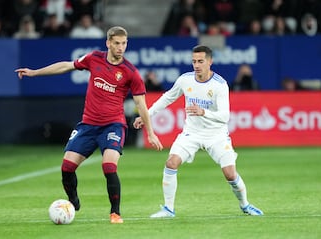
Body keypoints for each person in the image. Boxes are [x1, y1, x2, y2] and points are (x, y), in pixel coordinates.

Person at [15, 26, 163, 224]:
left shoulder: (130, 73)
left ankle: (115, 213)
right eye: (117, 43)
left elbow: (141, 105)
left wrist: (151, 133)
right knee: (67, 167)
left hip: (113, 126)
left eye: (124, 43)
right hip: (88, 125)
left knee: (109, 166)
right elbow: (66, 66)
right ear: (108, 43)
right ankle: (73, 202)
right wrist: (35, 73)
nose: (121, 47)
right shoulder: (94, 58)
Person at [133, 45, 263, 218]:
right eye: (194, 61)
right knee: (171, 163)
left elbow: (225, 116)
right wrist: (146, 115)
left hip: (216, 135)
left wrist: (204, 112)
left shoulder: (220, 85)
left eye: (200, 61)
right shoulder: (185, 80)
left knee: (230, 174)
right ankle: (168, 209)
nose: (196, 65)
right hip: (191, 133)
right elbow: (167, 98)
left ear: (210, 62)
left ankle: (245, 205)